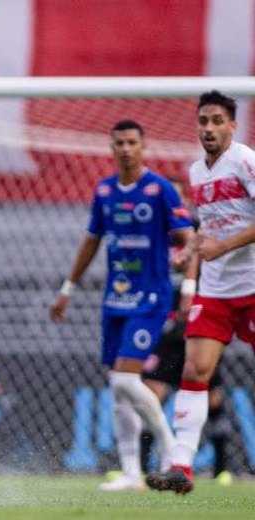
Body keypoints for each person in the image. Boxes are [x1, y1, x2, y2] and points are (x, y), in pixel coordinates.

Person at [49, 119, 194, 492]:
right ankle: (131, 472)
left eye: (132, 142)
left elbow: (188, 234)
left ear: (143, 147)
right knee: (118, 386)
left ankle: (171, 451)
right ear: (111, 148)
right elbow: (92, 240)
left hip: (151, 298)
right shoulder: (105, 191)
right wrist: (68, 288)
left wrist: (189, 276)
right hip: (115, 299)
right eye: (120, 143)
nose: (126, 149)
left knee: (127, 378)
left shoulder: (160, 189)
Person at [146, 90, 255, 494]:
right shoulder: (196, 172)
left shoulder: (245, 161)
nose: (208, 128)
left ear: (232, 125)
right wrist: (193, 247)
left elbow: (227, 235)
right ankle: (182, 467)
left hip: (252, 284)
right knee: (195, 372)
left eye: (217, 121)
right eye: (203, 121)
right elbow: (211, 225)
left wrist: (223, 247)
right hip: (216, 290)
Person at [140, 179, 233, 484]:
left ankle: (222, 470)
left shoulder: (195, 230)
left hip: (199, 321)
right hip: (164, 328)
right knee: (152, 393)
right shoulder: (150, 233)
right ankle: (140, 469)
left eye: (175, 197)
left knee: (211, 395)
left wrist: (191, 288)